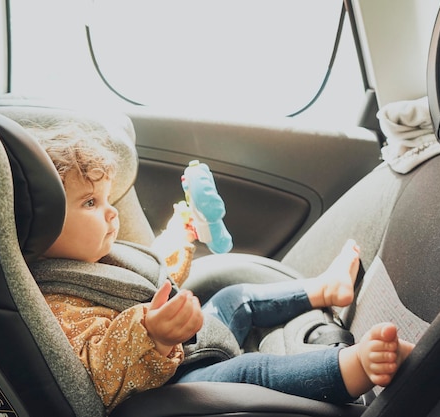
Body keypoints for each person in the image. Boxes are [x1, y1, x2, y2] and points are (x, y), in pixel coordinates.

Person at [29, 124, 415, 414]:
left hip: (191, 346)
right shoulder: (54, 300)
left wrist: (179, 238)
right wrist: (153, 334)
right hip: (171, 387)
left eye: (106, 198)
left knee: (235, 297)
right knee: (253, 371)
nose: (111, 211)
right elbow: (98, 374)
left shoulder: (93, 261)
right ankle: (354, 366)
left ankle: (325, 290)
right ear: (39, 223)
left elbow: (148, 279)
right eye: (91, 203)